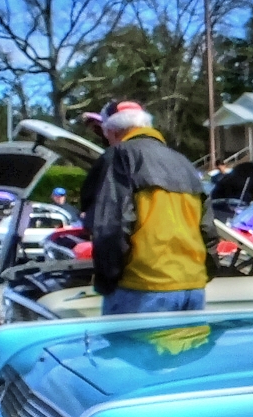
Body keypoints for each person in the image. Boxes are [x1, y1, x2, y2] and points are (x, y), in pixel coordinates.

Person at [90, 104, 219, 314]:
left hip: (142, 288)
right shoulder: (183, 162)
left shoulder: (118, 157)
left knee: (130, 348)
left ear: (112, 132)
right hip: (192, 286)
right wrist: (204, 273)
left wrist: (106, 280)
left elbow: (111, 227)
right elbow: (207, 229)